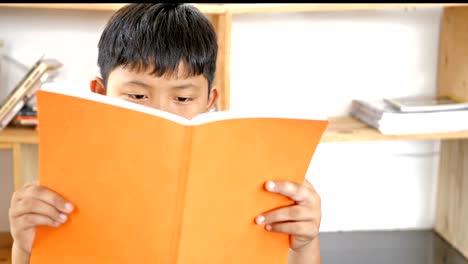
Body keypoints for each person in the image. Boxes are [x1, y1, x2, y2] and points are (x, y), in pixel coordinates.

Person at [9, 3, 322, 264]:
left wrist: (303, 244)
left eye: (183, 98)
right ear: (100, 94)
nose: (159, 113)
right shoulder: (70, 183)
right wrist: (25, 248)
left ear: (210, 102)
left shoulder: (252, 183)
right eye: (137, 96)